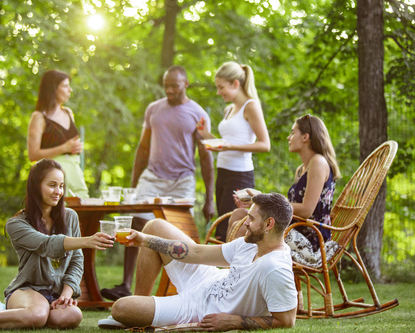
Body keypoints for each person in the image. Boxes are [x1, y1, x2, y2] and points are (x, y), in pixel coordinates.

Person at [0, 159, 114, 329]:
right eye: (52, 185)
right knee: (36, 315)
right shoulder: (16, 224)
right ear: (36, 186)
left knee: (72, 316)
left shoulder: (70, 217)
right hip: (26, 290)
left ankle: (14, 313)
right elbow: (46, 245)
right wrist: (88, 241)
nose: (58, 192)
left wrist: (66, 295)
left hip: (54, 295)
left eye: (61, 186)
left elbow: (76, 262)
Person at [97, 193, 297, 331]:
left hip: (199, 308)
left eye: (251, 219)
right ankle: (138, 308)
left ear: (269, 224)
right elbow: (197, 252)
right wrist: (145, 240)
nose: (244, 223)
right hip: (208, 280)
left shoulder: (274, 268)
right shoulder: (249, 244)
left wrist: (235, 321)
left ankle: (132, 312)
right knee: (154, 227)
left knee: (120, 308)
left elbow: (286, 320)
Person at [100, 65, 215, 301]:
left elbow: (205, 157)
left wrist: (210, 198)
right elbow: (142, 149)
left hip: (181, 181)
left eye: (174, 85)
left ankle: (179, 292)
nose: (170, 90)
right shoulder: (154, 109)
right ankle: (126, 285)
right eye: (166, 86)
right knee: (136, 223)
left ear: (186, 84)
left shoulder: (198, 114)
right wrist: (132, 190)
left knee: (179, 232)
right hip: (152, 177)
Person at [228, 115, 341, 253]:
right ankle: (232, 267)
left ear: (305, 137)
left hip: (310, 237)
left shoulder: (318, 162)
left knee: (240, 227)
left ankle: (235, 270)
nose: (289, 137)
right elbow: (292, 206)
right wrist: (258, 202)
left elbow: (306, 210)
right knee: (238, 214)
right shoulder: (302, 169)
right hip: (293, 227)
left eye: (293, 133)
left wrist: (265, 201)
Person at [196, 62, 270, 242]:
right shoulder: (229, 109)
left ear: (235, 84)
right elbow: (224, 144)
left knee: (231, 229)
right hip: (223, 172)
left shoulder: (250, 106)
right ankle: (222, 269)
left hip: (240, 176)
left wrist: (230, 146)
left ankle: (230, 269)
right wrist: (205, 135)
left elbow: (264, 144)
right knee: (222, 227)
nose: (218, 92)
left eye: (221, 87)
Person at [27, 69, 89, 199]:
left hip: (75, 176)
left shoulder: (68, 113)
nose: (70, 90)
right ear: (53, 89)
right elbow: (33, 154)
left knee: (83, 215)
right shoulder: (39, 117)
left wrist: (76, 148)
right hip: (52, 181)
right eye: (65, 86)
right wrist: (64, 148)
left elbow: (71, 146)